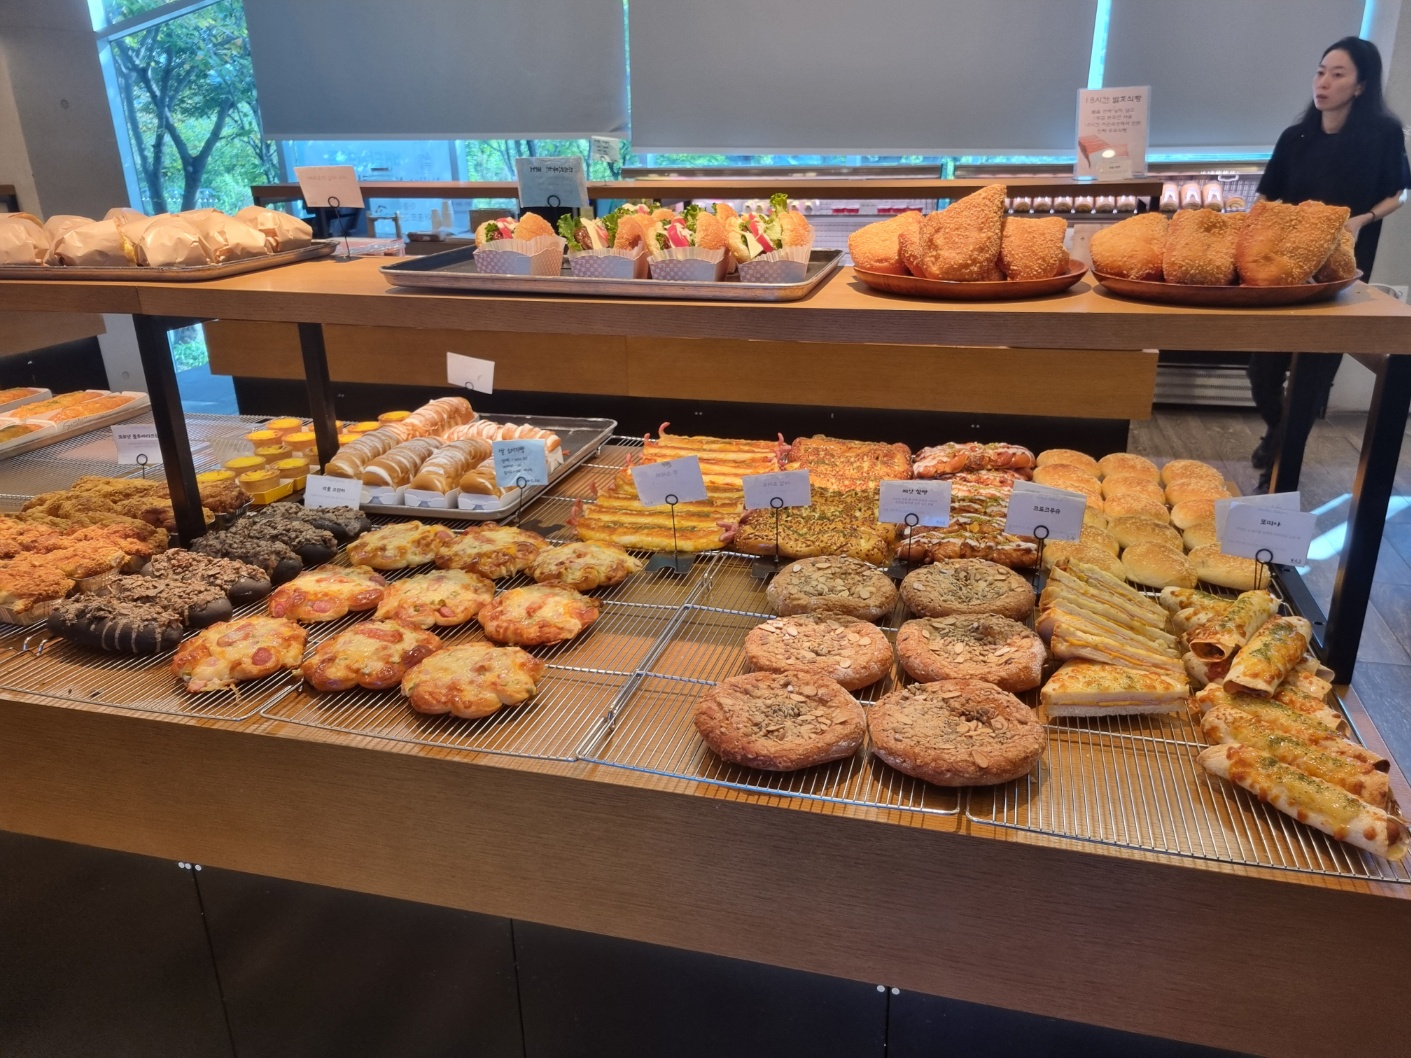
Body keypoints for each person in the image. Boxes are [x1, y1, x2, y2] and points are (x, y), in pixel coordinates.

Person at [1247, 36, 1410, 490]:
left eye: (1338, 75)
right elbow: (1267, 198)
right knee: (1261, 373)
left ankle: (1277, 479)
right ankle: (1277, 431)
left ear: (1361, 85)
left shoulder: (1382, 134)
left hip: (1343, 272)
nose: (1324, 83)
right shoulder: (1296, 137)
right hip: (1287, 273)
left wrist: (1361, 220)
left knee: (1312, 381)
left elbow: (1398, 193)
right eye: (1321, 72)